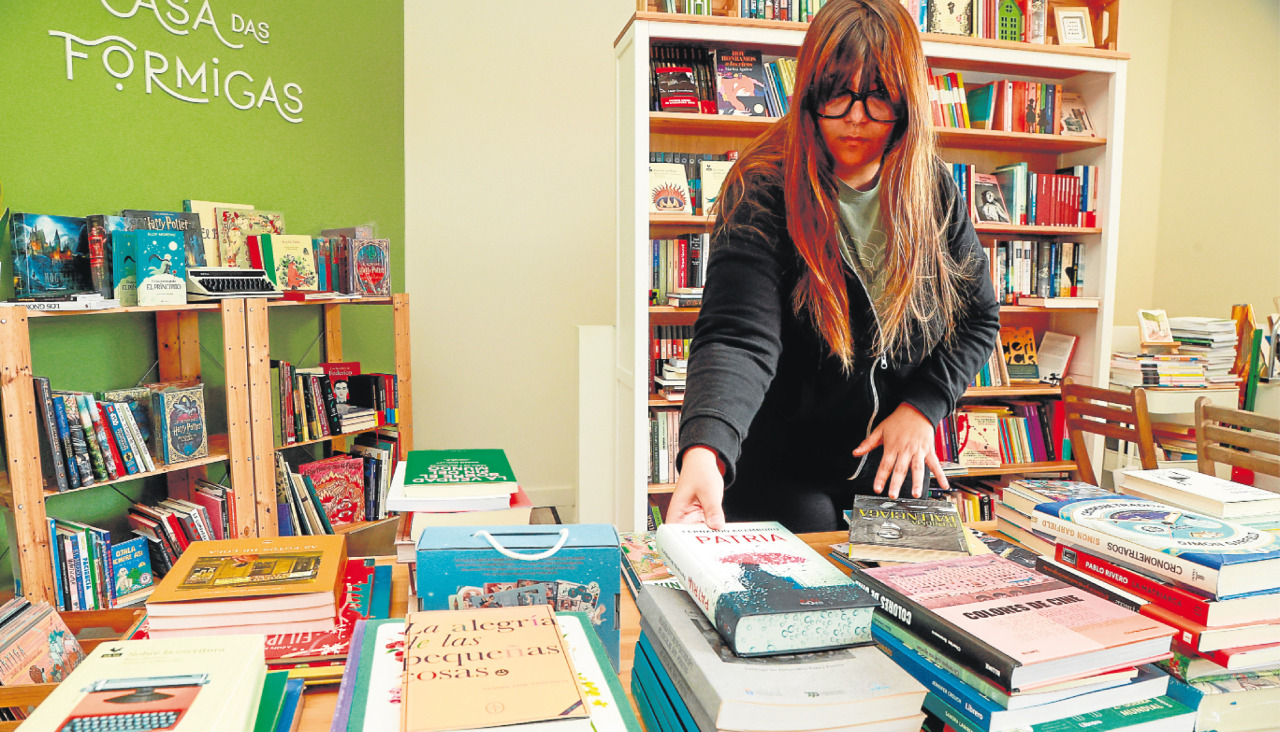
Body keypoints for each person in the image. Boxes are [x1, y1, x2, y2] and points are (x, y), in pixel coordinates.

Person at [666, 0, 1001, 534]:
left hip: (894, 459)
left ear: (907, 100)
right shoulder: (761, 188)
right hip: (782, 467)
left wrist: (923, 408)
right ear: (809, 94)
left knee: (930, 598)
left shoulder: (932, 188)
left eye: (878, 97)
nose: (855, 116)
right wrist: (704, 451)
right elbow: (737, 337)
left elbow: (978, 319)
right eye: (836, 93)